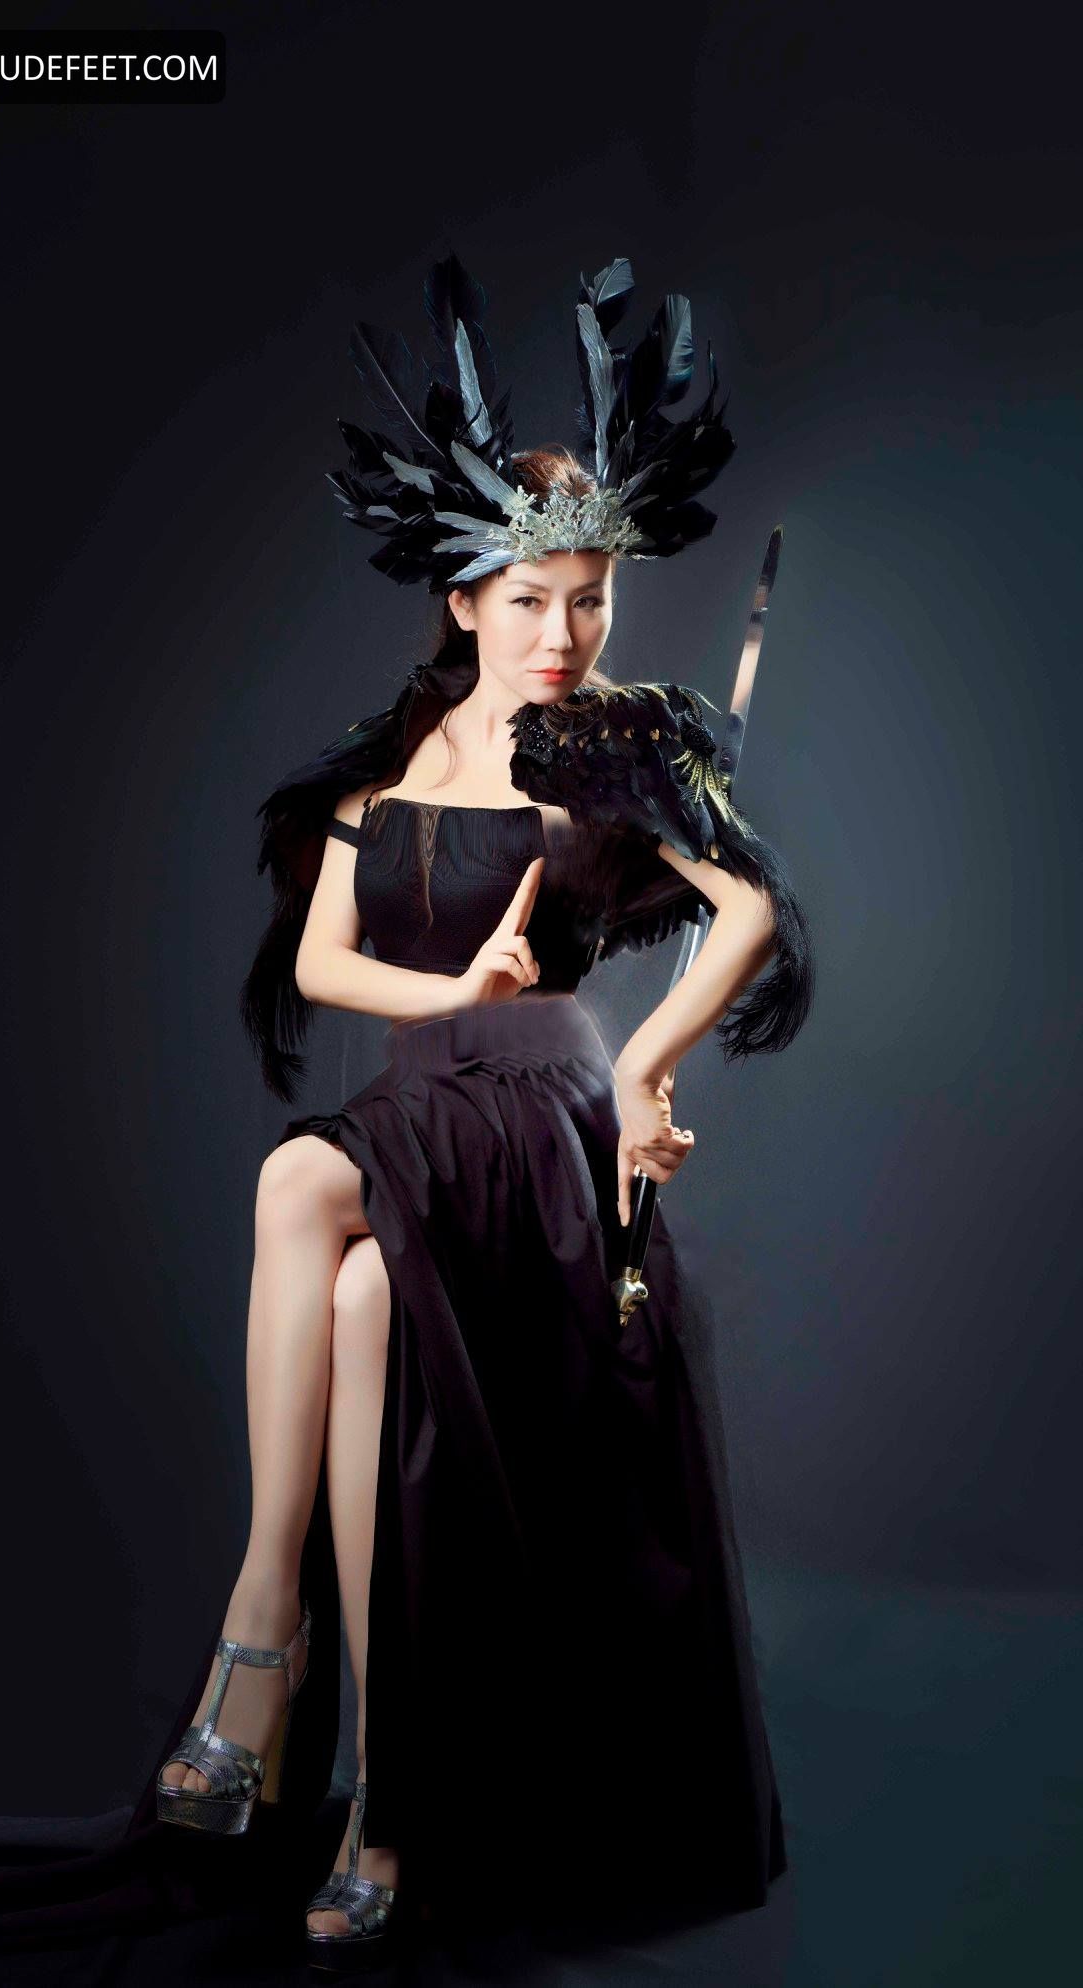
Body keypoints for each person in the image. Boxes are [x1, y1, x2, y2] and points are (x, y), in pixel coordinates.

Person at [149, 256, 815, 1970]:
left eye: (590, 600)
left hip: (539, 1119)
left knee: (294, 1193)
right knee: (360, 1290)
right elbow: (322, 964)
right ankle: (381, 1787)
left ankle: (261, 1637)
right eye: (530, 601)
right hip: (424, 1101)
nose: (563, 635)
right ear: (463, 602)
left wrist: (645, 1068)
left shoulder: (614, 754)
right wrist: (449, 994)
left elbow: (746, 910)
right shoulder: (390, 767)